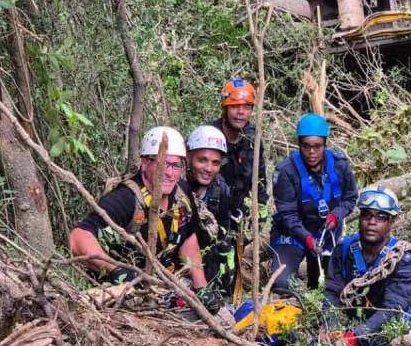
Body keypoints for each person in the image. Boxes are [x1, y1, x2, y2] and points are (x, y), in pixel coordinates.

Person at [69, 126, 220, 312]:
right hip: (122, 295)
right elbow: (78, 237)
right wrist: (115, 270)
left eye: (175, 166)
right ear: (145, 163)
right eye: (163, 164)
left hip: (164, 288)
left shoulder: (182, 192)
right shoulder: (125, 198)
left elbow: (188, 239)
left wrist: (201, 288)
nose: (169, 173)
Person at [323, 186, 411, 346]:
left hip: (384, 338)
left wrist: (358, 335)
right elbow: (332, 292)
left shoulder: (402, 259)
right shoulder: (344, 249)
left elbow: (393, 308)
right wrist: (333, 328)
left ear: (391, 222)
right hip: (346, 329)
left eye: (381, 217)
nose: (372, 222)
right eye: (367, 215)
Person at [270, 113, 358, 295]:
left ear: (325, 144)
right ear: (299, 145)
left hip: (327, 233)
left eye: (317, 146)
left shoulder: (340, 165)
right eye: (306, 146)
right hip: (293, 234)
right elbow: (287, 215)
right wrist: (307, 238)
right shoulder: (286, 171)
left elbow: (350, 198)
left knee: (330, 286)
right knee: (281, 284)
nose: (311, 152)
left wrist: (336, 215)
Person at [211, 79, 268, 225]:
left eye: (247, 107)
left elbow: (259, 178)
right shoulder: (209, 137)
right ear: (225, 109)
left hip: (239, 211)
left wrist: (261, 206)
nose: (240, 112)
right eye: (235, 106)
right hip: (211, 211)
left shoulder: (252, 139)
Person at [185, 125, 234, 290]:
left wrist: (226, 251)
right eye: (202, 160)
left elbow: (224, 225)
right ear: (188, 156)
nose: (208, 169)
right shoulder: (174, 185)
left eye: (215, 163)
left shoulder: (220, 189)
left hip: (206, 253)